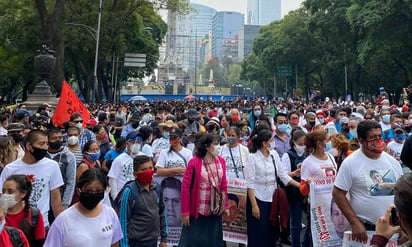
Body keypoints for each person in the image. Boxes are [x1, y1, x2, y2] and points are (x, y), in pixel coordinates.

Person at [333, 120, 403, 243]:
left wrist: (404, 226)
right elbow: (338, 193)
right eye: (372, 137)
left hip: (392, 231)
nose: (378, 140)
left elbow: (401, 193)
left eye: (379, 136)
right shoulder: (350, 163)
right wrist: (354, 222)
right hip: (365, 233)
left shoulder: (393, 162)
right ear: (361, 140)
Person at [245, 129, 300, 247]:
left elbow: (282, 175)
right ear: (264, 143)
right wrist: (254, 206)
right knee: (259, 232)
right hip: (258, 198)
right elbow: (250, 184)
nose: (273, 142)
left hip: (273, 198)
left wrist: (300, 186)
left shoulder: (274, 155)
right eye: (271, 140)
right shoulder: (252, 158)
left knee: (272, 231)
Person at [0, 129, 63, 230]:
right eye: (42, 144)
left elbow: (56, 200)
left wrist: (60, 226)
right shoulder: (10, 169)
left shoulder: (52, 166)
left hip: (42, 224)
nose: (45, 147)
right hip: (14, 226)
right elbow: (2, 198)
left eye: (47, 144)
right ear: (29, 146)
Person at [44, 169, 123, 247]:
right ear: (79, 191)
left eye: (98, 191)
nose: (93, 194)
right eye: (88, 190)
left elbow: (115, 243)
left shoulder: (110, 214)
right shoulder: (63, 220)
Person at [179, 133, 229, 247]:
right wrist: (185, 212)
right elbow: (185, 188)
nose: (218, 147)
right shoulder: (195, 162)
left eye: (219, 144)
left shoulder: (221, 161)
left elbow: (224, 185)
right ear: (206, 146)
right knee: (195, 241)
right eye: (215, 144)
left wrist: (225, 206)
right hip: (198, 210)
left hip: (215, 210)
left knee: (212, 241)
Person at [118, 155, 167, 247]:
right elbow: (123, 221)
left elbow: (162, 214)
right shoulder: (129, 192)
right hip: (135, 243)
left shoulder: (157, 188)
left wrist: (164, 239)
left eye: (150, 168)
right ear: (135, 174)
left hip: (153, 241)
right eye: (144, 170)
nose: (148, 171)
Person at [369, 173, 412, 246]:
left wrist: (379, 240)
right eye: (375, 178)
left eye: (378, 176)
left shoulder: (388, 182)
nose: (377, 178)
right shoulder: (374, 188)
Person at [281, 128, 307, 247]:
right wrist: (294, 173)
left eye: (304, 144)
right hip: (294, 191)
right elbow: (283, 175)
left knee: (312, 221)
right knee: (296, 223)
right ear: (294, 143)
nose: (302, 146)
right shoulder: (288, 155)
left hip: (307, 192)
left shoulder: (308, 154)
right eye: (300, 144)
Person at [3, 174, 45, 246]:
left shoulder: (34, 215)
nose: (5, 194)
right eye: (3, 191)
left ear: (23, 194)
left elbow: (39, 243)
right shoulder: (1, 214)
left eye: (10, 192)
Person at [45, 128, 76, 211]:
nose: (58, 140)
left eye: (60, 138)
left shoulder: (69, 156)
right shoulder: (42, 154)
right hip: (44, 198)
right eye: (54, 138)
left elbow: (71, 181)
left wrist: (65, 203)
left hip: (60, 199)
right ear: (47, 140)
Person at [108, 132, 145, 199]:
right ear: (127, 143)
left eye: (139, 143)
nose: (137, 145)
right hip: (123, 196)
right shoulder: (119, 159)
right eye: (134, 142)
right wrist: (115, 197)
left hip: (140, 195)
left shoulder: (144, 157)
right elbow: (113, 179)